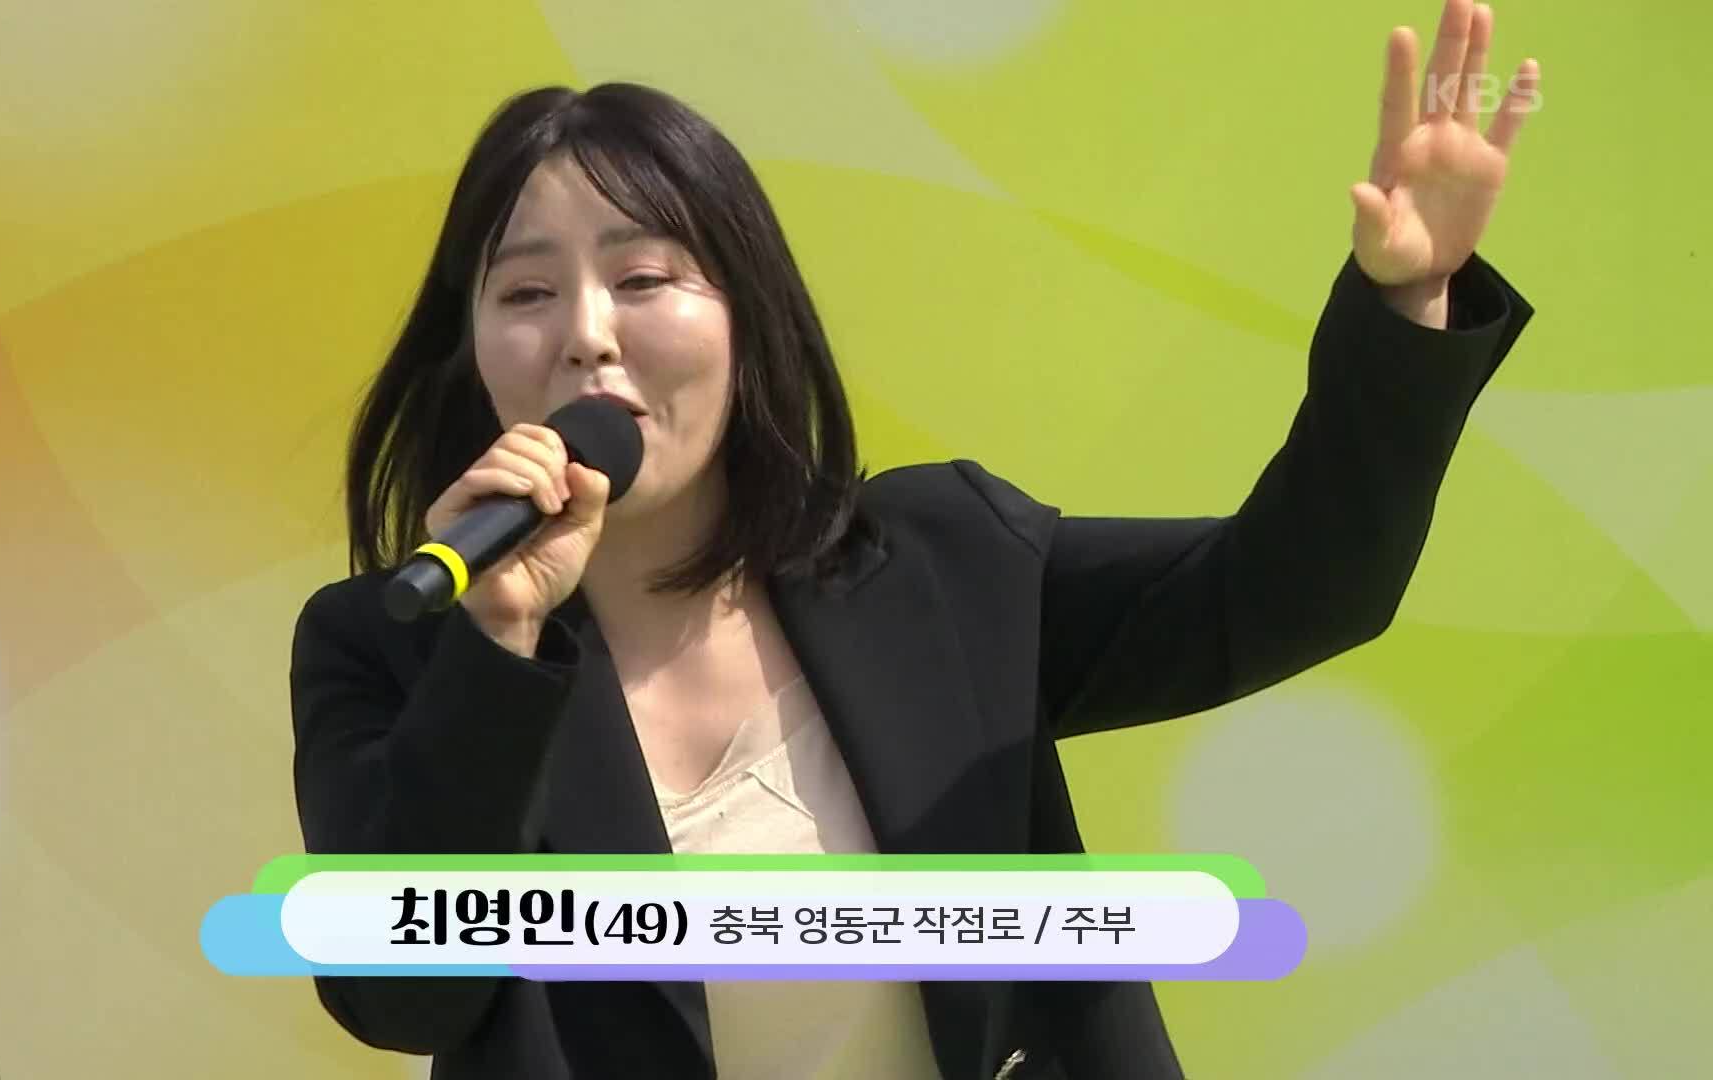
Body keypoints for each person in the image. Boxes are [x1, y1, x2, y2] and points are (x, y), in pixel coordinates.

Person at [289, 3, 1539, 1076]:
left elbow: (1295, 590)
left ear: (744, 316)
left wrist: (1405, 300)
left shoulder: (937, 567)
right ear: (474, 351)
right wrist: (494, 645)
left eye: (645, 277)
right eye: (525, 292)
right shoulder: (392, 648)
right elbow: (400, 999)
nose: (587, 333)